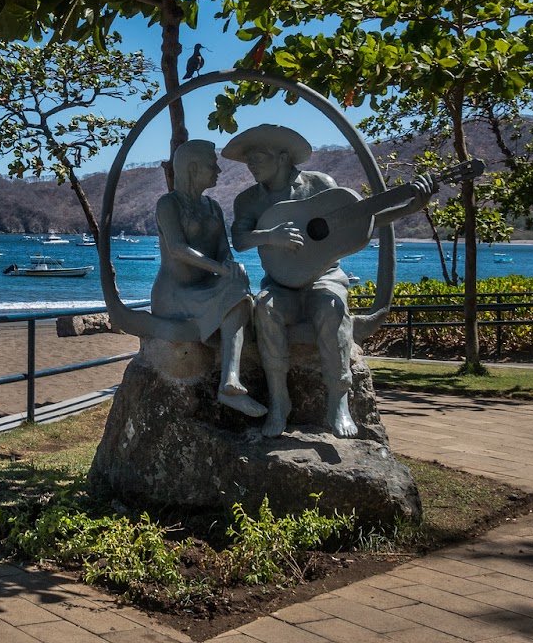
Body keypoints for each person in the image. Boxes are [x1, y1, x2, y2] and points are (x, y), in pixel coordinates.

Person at [225, 125, 430, 437]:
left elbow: (359, 222)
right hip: (281, 283)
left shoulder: (320, 184)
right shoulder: (248, 200)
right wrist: (270, 236)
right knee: (265, 309)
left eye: (258, 158)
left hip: (324, 277)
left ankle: (339, 401)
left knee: (331, 309)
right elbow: (239, 239)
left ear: (282, 157)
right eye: (248, 160)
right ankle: (280, 400)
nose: (251, 165)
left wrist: (408, 208)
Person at [151, 139, 264, 417]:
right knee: (235, 292)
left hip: (205, 290)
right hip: (175, 294)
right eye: (212, 165)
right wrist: (221, 269)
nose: (218, 171)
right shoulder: (168, 204)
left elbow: (225, 252)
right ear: (192, 169)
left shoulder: (213, 207)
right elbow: (177, 249)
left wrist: (230, 267)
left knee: (239, 290)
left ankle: (230, 383)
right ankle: (229, 384)